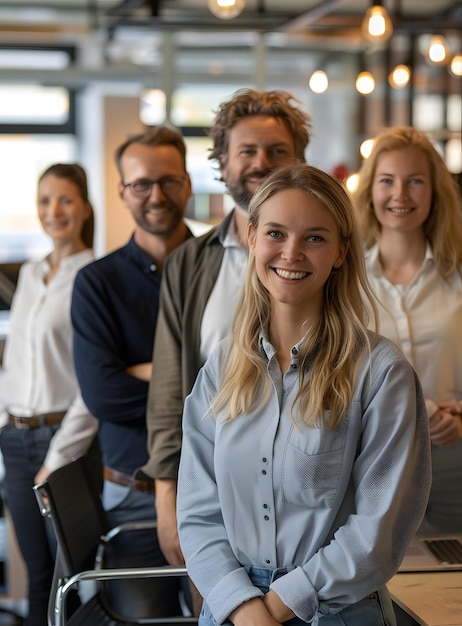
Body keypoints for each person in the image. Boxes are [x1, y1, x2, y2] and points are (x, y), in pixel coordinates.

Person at [176, 164, 431, 626]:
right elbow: (198, 511)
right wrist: (243, 607)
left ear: (339, 253)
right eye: (276, 233)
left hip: (336, 609)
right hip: (231, 608)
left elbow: (379, 530)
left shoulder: (381, 372)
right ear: (252, 238)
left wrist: (273, 607)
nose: (291, 253)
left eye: (314, 237)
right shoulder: (223, 365)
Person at [143, 88, 312, 567]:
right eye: (247, 151)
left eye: (278, 151)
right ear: (222, 162)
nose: (262, 162)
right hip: (214, 500)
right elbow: (168, 389)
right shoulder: (189, 264)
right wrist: (167, 500)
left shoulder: (327, 257)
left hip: (314, 500)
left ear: (298, 158)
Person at [70, 126, 194, 616]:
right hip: (134, 497)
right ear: (122, 192)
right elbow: (103, 395)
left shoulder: (228, 269)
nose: (156, 195)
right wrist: (197, 387)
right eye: (141, 184)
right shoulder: (96, 283)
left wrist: (146, 373)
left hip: (225, 491)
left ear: (186, 183)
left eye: (167, 181)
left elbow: (249, 381)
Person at [0, 163, 98, 626]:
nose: (53, 210)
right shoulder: (33, 272)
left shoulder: (93, 276)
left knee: (67, 577)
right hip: (15, 441)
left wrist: (58, 455)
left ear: (84, 207)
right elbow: (15, 360)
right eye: (44, 200)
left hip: (63, 440)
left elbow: (92, 381)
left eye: (64, 199)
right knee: (38, 574)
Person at [353, 125, 462, 534]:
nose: (400, 194)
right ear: (370, 191)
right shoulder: (345, 281)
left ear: (434, 191)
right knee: (386, 587)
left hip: (454, 459)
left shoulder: (458, 275)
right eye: (387, 181)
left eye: (415, 181)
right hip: (375, 461)